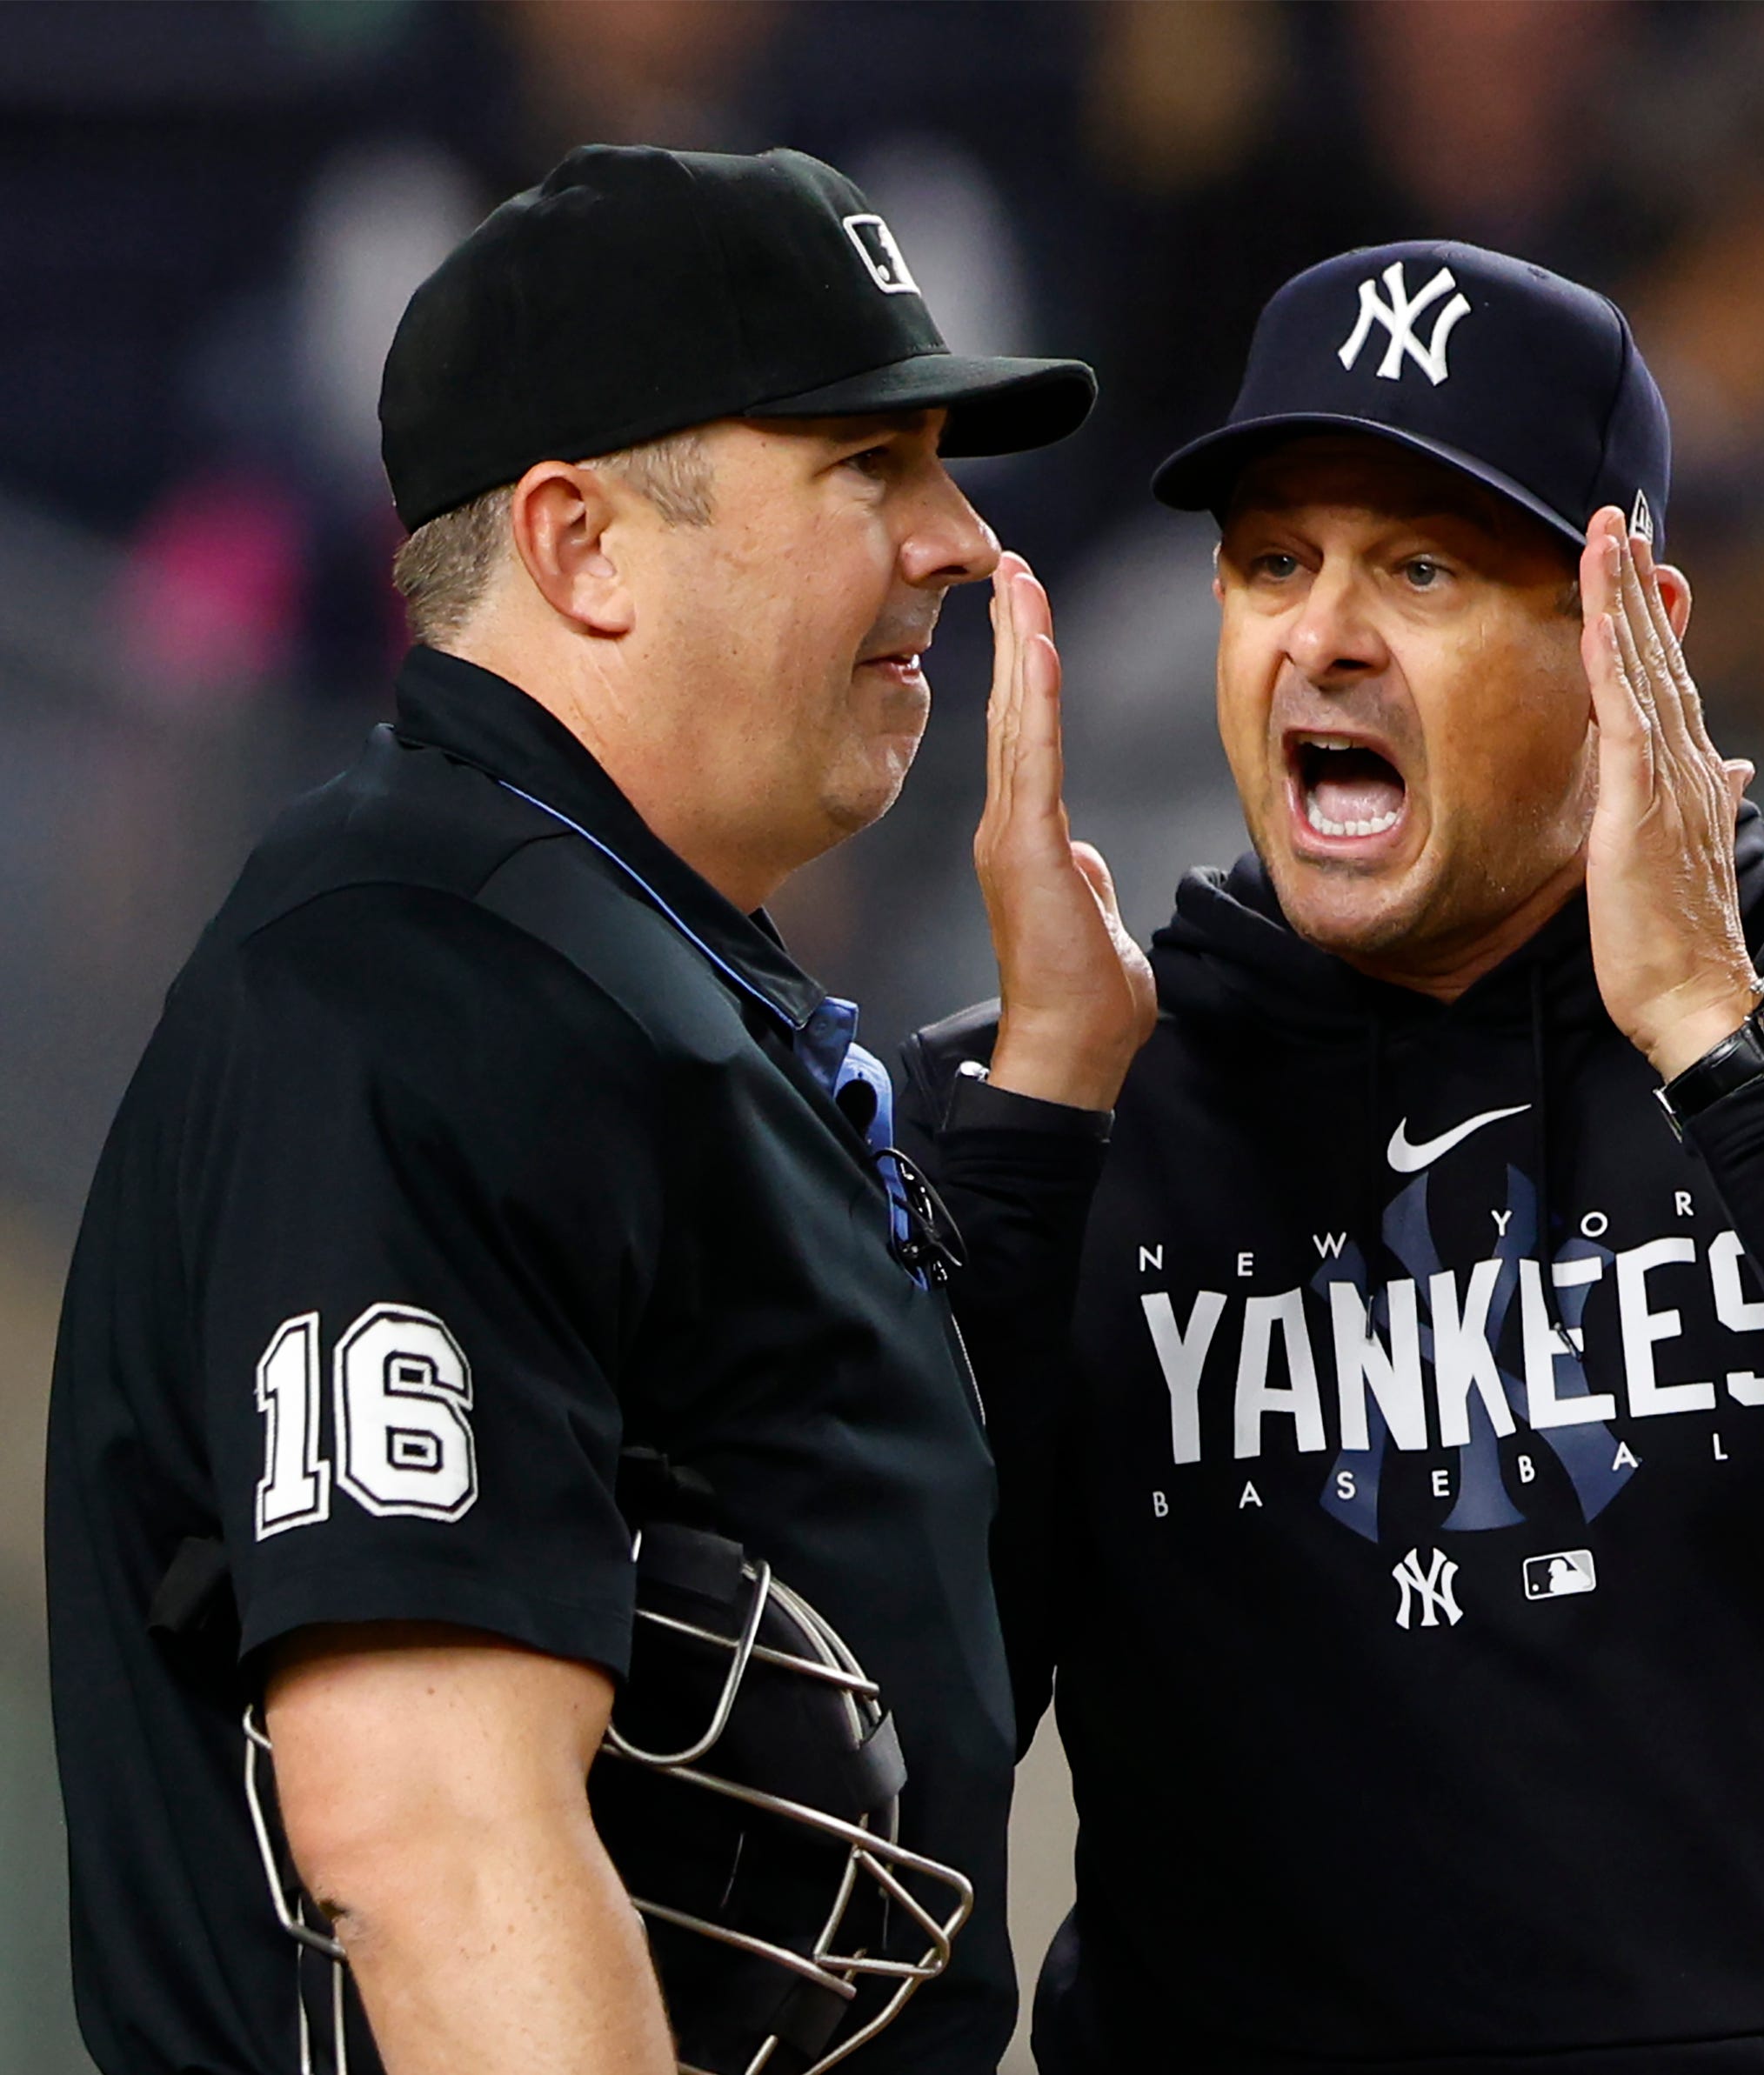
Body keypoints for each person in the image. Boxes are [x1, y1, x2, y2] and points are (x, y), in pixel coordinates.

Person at [901, 241, 1764, 2074]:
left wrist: (1721, 1040)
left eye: (1424, 565)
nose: (1325, 632)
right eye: (1274, 560)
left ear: (1638, 636)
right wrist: (1038, 1128)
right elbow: (902, 1745)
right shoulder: (1068, 1101)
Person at [44, 143, 1094, 2075]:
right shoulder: (410, 994)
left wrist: (1044, 1094)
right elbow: (429, 1834)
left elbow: (899, 1637)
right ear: (581, 546)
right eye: (869, 467)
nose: (954, 536)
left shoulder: (624, 960)